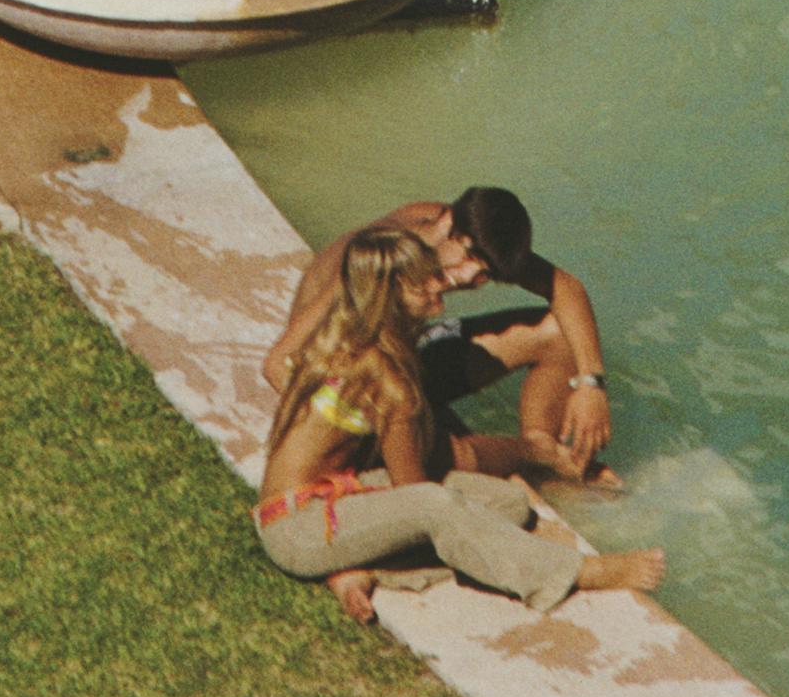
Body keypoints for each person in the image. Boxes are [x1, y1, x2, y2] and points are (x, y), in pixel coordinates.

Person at [247, 224, 658, 625]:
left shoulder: (345, 335)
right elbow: (415, 495)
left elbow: (277, 365)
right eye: (420, 283)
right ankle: (575, 573)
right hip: (296, 531)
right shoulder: (388, 382)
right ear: (389, 296)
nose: (438, 284)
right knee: (436, 505)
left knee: (507, 506)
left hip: (333, 498)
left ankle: (362, 567)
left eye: (431, 274)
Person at [262, 184, 620, 480]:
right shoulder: (378, 258)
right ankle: (538, 458)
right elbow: (285, 361)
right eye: (466, 257)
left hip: (398, 360)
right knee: (460, 458)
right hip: (349, 379)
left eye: (484, 275)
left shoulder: (470, 234)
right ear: (446, 220)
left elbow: (565, 288)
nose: (466, 278)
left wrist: (591, 384)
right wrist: (356, 427)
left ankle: (544, 448)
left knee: (559, 332)